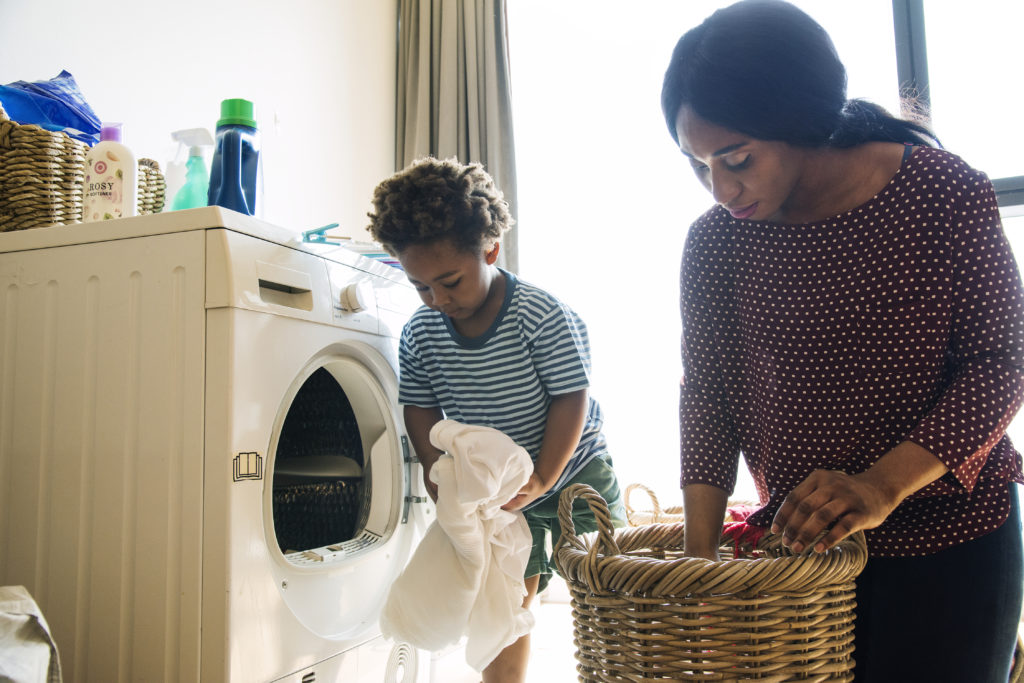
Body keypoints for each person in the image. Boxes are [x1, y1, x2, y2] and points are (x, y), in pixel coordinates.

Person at [660, 1, 1024, 681]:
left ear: (799, 119)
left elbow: (1000, 365)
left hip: (951, 544)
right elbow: (707, 399)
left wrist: (879, 486)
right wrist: (700, 566)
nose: (719, 187)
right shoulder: (715, 242)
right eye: (698, 165)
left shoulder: (941, 193)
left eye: (736, 158)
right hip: (804, 566)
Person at [366, 156, 626, 683]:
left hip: (573, 468)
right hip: (498, 489)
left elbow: (570, 398)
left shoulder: (539, 315)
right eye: (420, 288)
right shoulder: (421, 334)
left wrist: (544, 478)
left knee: (611, 581)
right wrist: (438, 475)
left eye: (450, 282)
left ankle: (622, 669)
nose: (437, 300)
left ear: (490, 249)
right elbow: (419, 407)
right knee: (506, 601)